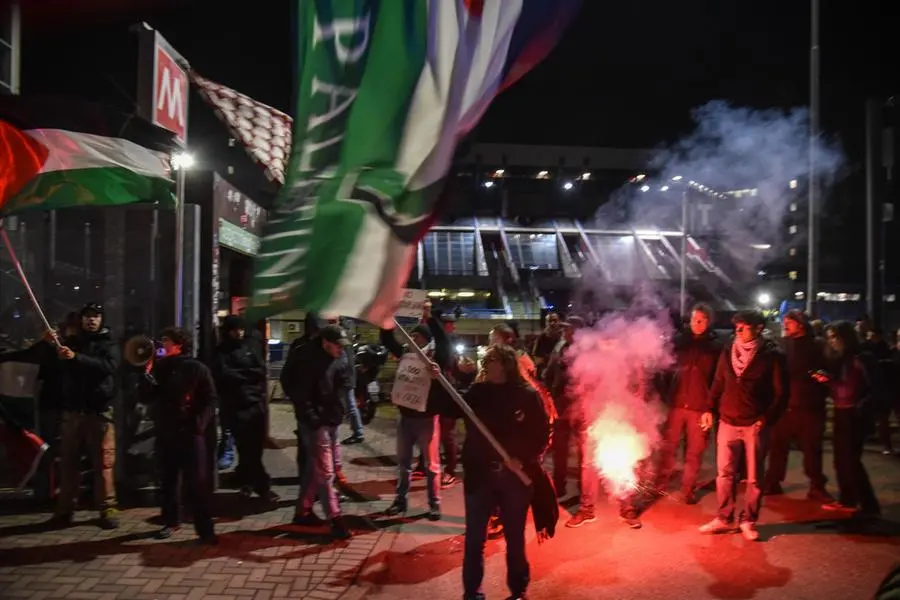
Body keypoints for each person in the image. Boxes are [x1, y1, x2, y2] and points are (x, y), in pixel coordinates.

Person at [439, 344, 551, 600]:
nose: (487, 364)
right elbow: (449, 408)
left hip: (513, 479)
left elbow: (541, 433)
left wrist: (522, 459)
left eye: (493, 360)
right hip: (480, 477)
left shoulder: (526, 394)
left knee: (514, 538)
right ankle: (472, 593)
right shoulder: (478, 392)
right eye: (486, 360)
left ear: (506, 365)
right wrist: (438, 379)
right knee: (475, 539)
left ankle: (518, 591)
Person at [699, 310, 788, 541]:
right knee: (724, 474)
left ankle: (748, 520)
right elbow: (718, 381)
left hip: (754, 424)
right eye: (736, 326)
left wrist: (766, 418)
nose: (737, 330)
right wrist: (709, 409)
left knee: (754, 477)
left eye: (743, 327)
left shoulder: (772, 355)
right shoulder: (729, 349)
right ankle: (724, 518)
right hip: (727, 420)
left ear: (758, 328)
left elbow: (781, 393)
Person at [48, 303, 121, 529]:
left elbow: (107, 366)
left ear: (101, 319)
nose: (91, 320)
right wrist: (50, 345)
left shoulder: (108, 343)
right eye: (87, 316)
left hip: (98, 411)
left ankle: (107, 507)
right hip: (73, 412)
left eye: (95, 316)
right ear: (80, 320)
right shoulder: (71, 342)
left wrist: (76, 357)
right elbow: (55, 367)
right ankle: (65, 509)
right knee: (69, 464)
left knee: (103, 463)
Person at [142, 327, 218, 543]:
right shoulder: (160, 367)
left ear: (179, 344)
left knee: (196, 483)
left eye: (166, 340)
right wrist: (146, 378)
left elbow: (211, 399)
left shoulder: (196, 368)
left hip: (190, 433)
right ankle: (170, 520)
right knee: (168, 480)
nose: (162, 344)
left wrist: (198, 423)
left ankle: (205, 530)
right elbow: (148, 397)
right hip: (167, 430)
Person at [283, 324, 353, 539]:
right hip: (315, 421)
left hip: (330, 418)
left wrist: (340, 406)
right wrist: (311, 416)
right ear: (325, 343)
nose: (341, 350)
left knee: (317, 470)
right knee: (326, 472)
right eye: (337, 346)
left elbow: (345, 380)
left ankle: (303, 511)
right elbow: (296, 390)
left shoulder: (338, 357)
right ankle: (335, 519)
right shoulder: (305, 358)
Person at [380, 309, 451, 520]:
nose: (412, 338)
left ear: (426, 340)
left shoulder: (435, 358)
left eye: (416, 336)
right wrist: (386, 315)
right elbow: (386, 338)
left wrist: (429, 318)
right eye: (411, 335)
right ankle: (400, 500)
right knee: (403, 464)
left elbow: (443, 341)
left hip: (427, 420)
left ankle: (434, 503)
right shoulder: (405, 353)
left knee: (431, 466)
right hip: (405, 418)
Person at [763, 309, 833, 501]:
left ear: (801, 324)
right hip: (785, 407)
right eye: (784, 321)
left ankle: (817, 486)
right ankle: (772, 482)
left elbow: (827, 373)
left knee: (811, 449)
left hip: (810, 407)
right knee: (778, 447)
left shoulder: (816, 346)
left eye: (789, 321)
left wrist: (819, 378)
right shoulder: (782, 345)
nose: (785, 324)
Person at [656, 303, 722, 504]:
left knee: (695, 451)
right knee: (669, 447)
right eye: (694, 319)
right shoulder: (678, 343)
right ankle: (660, 484)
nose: (697, 323)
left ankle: (688, 488)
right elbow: (664, 370)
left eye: (701, 320)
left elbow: (718, 380)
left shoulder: (716, 347)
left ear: (708, 322)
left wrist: (710, 408)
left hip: (699, 408)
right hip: (676, 404)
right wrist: (665, 395)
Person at [814, 321, 881, 517]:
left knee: (851, 461)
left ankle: (869, 506)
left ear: (846, 337)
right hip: (842, 411)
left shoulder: (858, 359)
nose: (832, 342)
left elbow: (848, 389)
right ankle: (848, 498)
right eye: (829, 338)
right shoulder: (841, 359)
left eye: (835, 337)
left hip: (854, 414)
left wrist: (829, 382)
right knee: (841, 459)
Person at [213, 315, 278, 502]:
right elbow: (224, 375)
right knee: (246, 447)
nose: (239, 333)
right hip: (236, 406)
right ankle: (261, 486)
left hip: (254, 403)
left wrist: (244, 376)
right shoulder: (222, 351)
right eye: (235, 329)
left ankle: (246, 480)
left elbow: (260, 370)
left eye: (241, 329)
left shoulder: (250, 346)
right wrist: (247, 376)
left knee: (254, 448)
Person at [544, 316, 585, 498]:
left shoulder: (586, 350)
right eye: (564, 329)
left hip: (580, 405)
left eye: (568, 328)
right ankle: (559, 485)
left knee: (583, 449)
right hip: (560, 404)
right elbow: (550, 371)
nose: (564, 331)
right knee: (559, 448)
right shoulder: (560, 346)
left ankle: (584, 488)